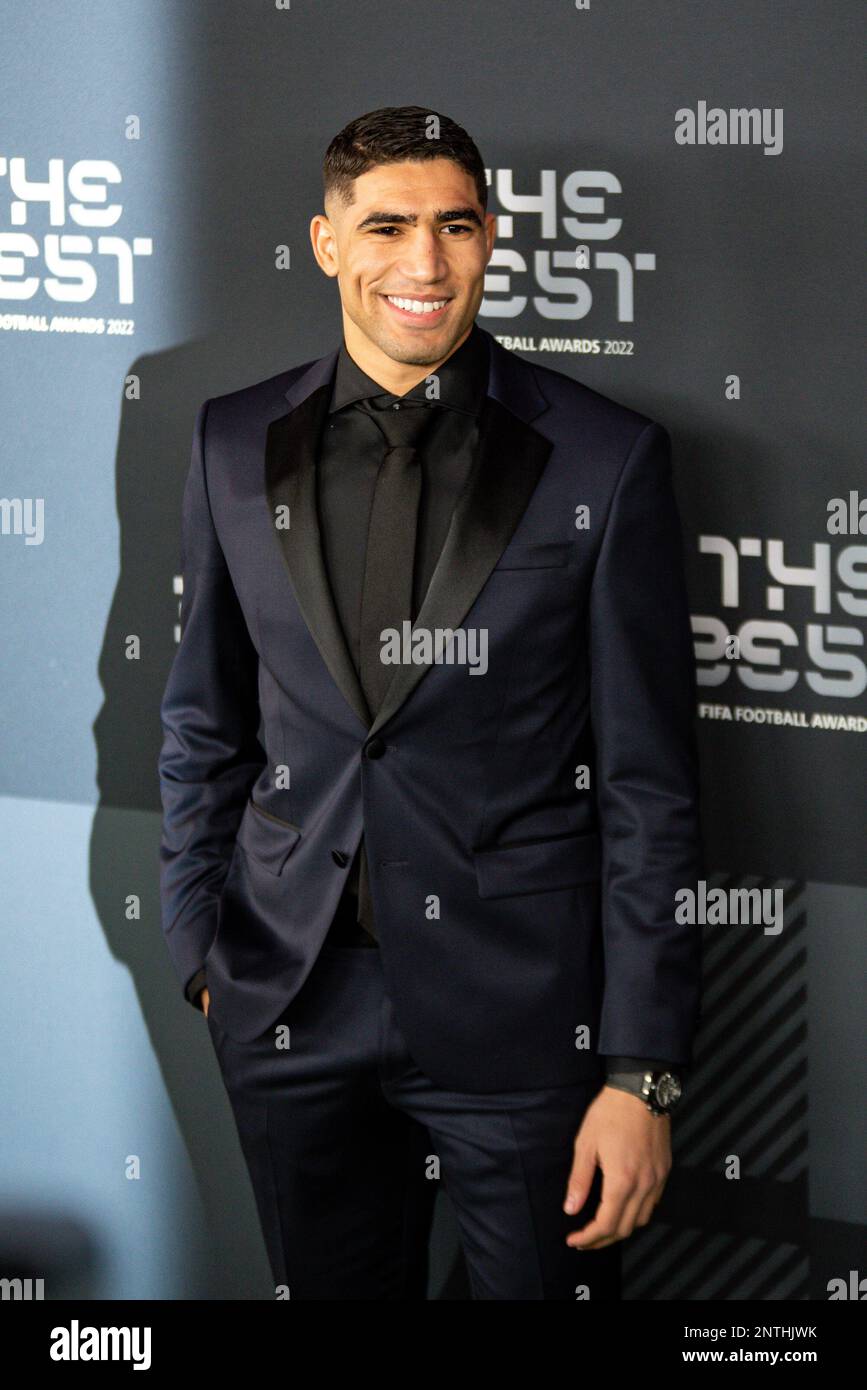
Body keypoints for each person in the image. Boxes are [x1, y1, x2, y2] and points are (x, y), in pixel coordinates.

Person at [158, 105, 703, 1300]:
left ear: (492, 239)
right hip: (290, 996)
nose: (425, 262)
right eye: (389, 225)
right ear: (325, 240)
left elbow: (647, 782)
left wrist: (641, 1068)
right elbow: (204, 716)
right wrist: (204, 946)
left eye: (456, 226)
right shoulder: (232, 439)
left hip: (523, 1020)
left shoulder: (603, 457)